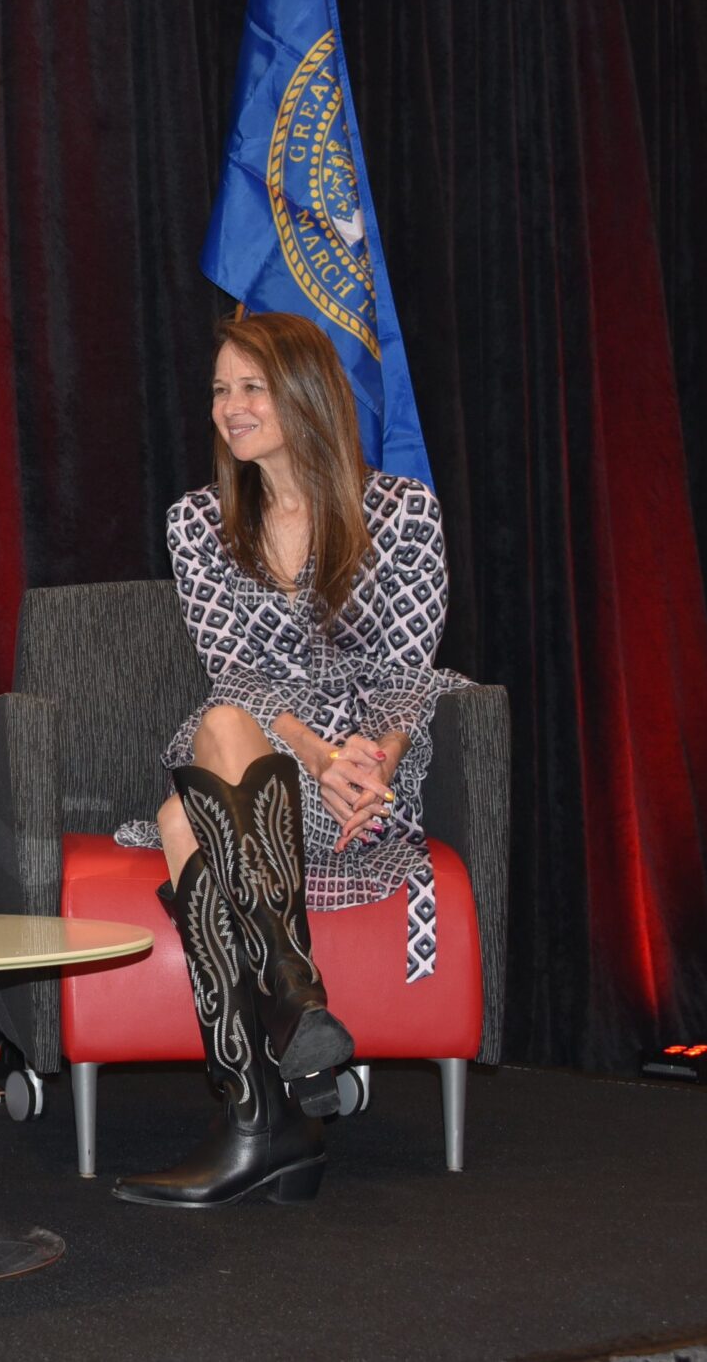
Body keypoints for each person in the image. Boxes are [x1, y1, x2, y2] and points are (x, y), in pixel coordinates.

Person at [111, 311, 467, 1209]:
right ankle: (292, 1003)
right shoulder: (197, 523)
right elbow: (235, 671)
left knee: (177, 818)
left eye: (251, 387)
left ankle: (259, 1111)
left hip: (361, 770)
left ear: (305, 393)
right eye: (221, 391)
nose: (230, 408)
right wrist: (308, 752)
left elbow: (405, 670)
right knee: (228, 720)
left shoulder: (401, 511)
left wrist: (371, 763)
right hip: (262, 748)